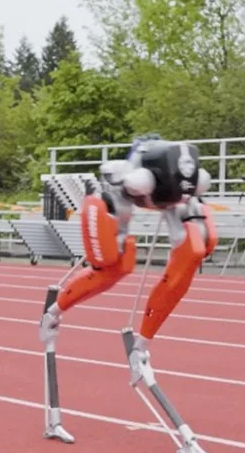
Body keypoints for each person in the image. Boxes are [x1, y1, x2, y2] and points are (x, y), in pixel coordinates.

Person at [38, 133, 217, 372]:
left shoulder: (191, 184)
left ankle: (144, 342)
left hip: (169, 192)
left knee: (193, 251)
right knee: (113, 264)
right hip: (123, 192)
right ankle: (55, 310)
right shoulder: (135, 180)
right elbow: (126, 184)